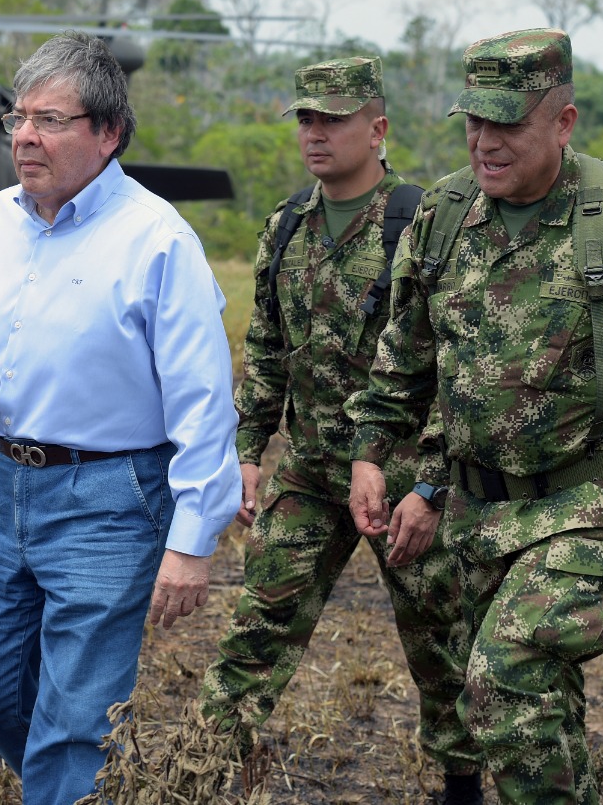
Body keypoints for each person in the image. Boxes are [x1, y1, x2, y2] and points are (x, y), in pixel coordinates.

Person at [345, 27, 603, 804]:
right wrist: (378, 458)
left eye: (509, 125)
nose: (486, 144)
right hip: (482, 509)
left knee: (503, 676)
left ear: (563, 123)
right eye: (474, 123)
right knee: (540, 705)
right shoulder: (442, 218)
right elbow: (408, 354)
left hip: (595, 502)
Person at [0, 31, 242, 805]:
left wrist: (192, 542)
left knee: (73, 721)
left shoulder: (159, 238)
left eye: (51, 120)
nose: (26, 135)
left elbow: (203, 402)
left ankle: (69, 786)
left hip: (113, 498)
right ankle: (81, 788)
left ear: (108, 133)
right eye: (19, 118)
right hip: (4, 484)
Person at [197, 56, 484, 802]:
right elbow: (266, 351)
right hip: (312, 470)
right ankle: (195, 774)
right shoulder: (285, 227)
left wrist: (429, 483)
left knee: (442, 648)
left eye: (333, 118)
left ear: (378, 128)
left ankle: (463, 786)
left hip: (404, 481)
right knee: (256, 630)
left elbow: (462, 368)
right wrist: (249, 451)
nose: (315, 133)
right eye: (305, 118)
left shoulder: (425, 226)